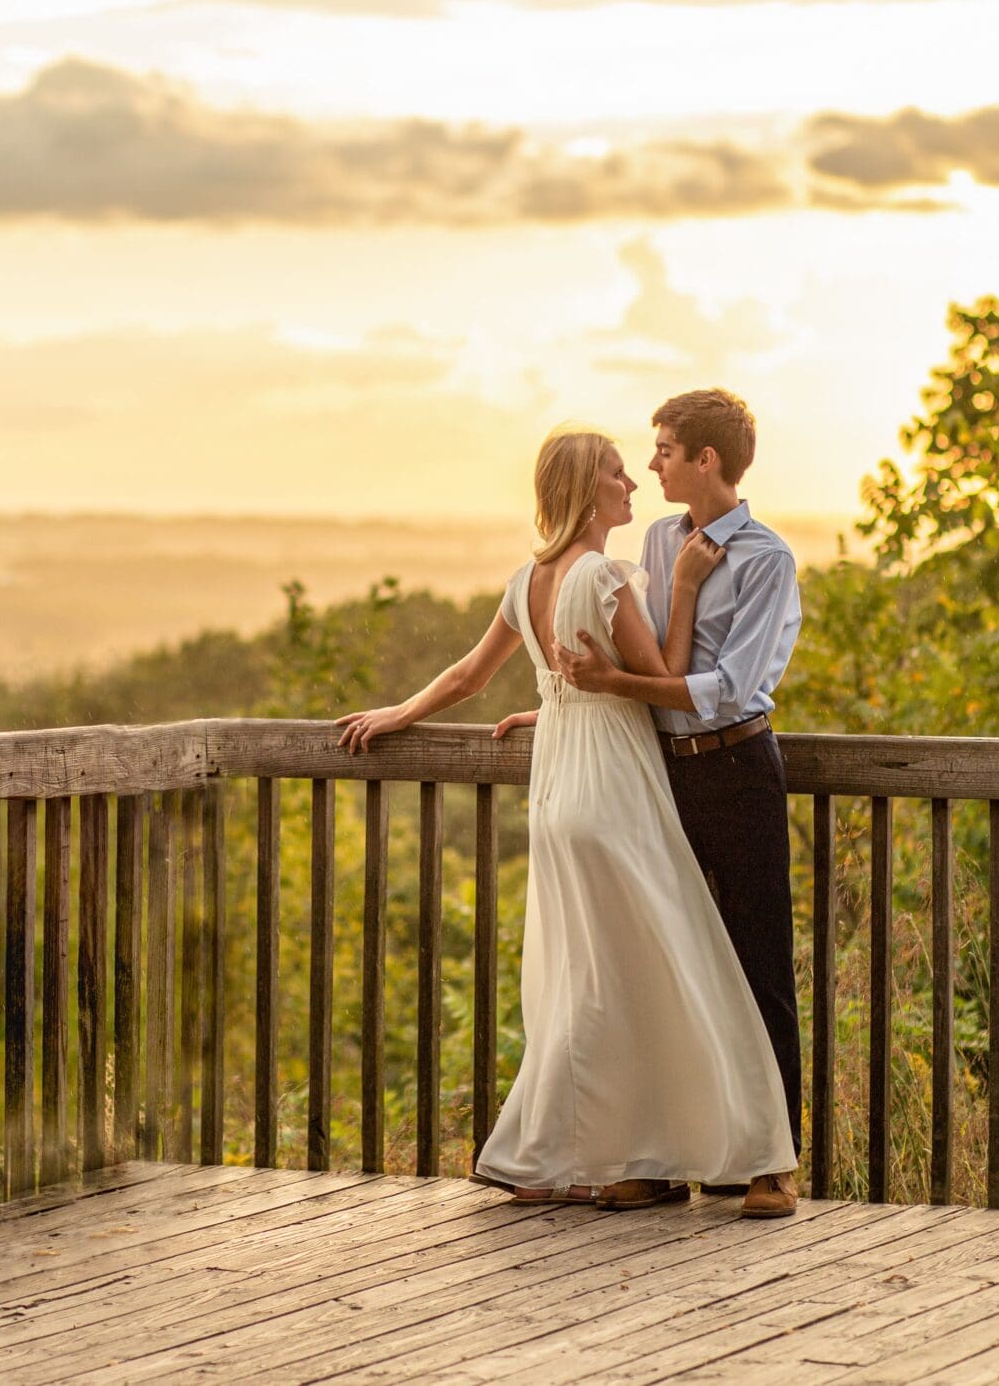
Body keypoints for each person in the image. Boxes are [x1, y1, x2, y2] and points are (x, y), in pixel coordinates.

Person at [336, 428, 798, 1212]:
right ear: (589, 490)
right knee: (682, 969)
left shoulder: (528, 577)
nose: (636, 482)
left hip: (557, 789)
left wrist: (404, 710)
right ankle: (743, 1152)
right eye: (621, 472)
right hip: (616, 791)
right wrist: (681, 592)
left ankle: (630, 1152)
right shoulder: (611, 572)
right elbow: (659, 677)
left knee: (597, 978)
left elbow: (470, 674)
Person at [553, 388, 804, 1219]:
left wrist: (610, 684)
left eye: (664, 448)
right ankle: (663, 1156)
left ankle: (772, 1165)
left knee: (757, 963)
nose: (652, 460)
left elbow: (731, 687)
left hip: (736, 771)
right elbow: (647, 656)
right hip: (659, 772)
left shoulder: (767, 559)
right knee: (670, 957)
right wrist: (570, 701)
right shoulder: (661, 539)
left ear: (707, 460)